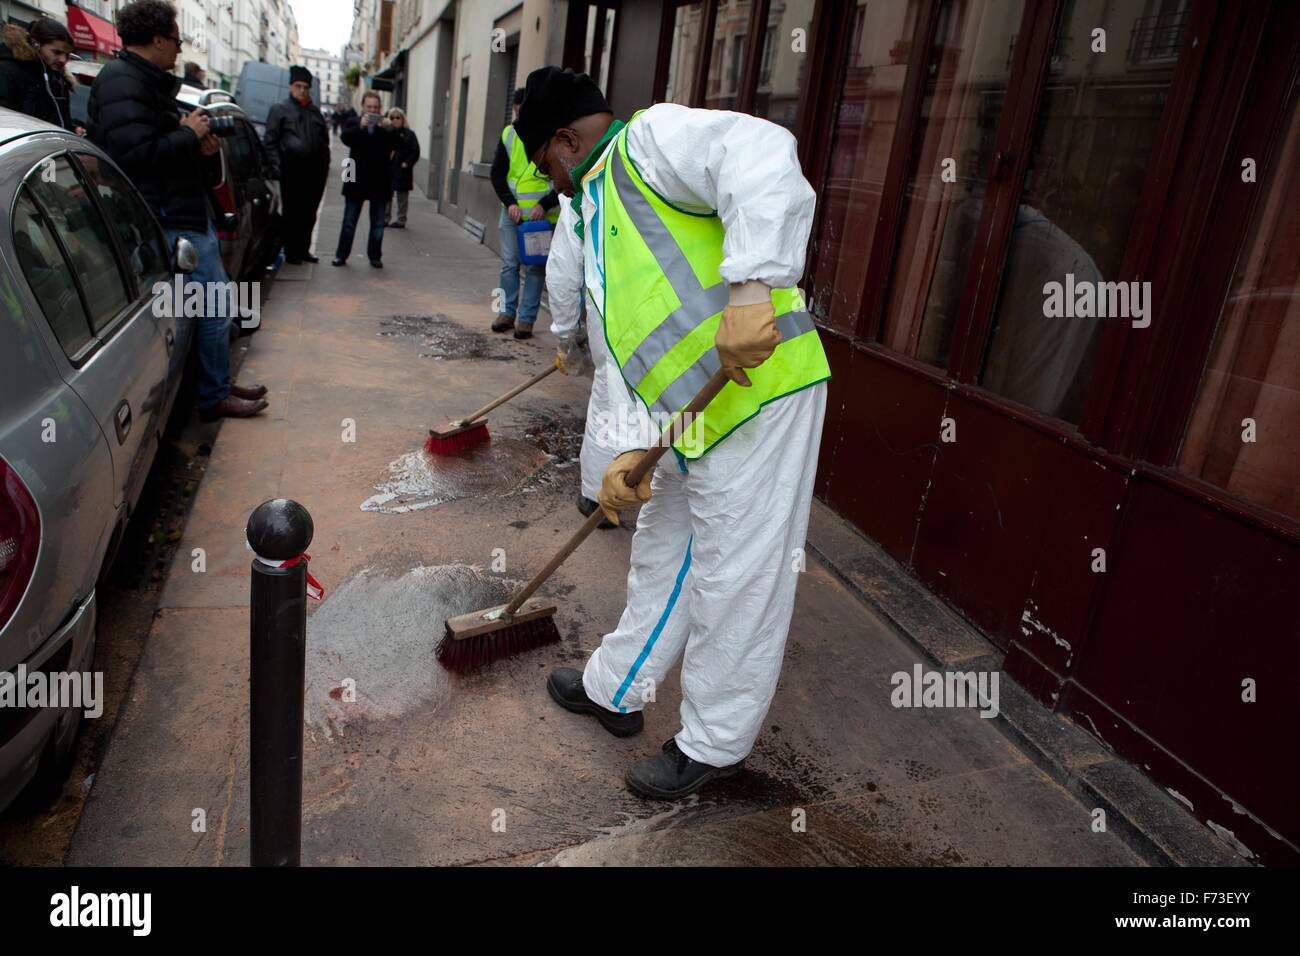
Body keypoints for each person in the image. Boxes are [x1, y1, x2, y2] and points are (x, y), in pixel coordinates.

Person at [519, 67, 830, 799]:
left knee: (738, 574)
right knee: (664, 553)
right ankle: (616, 687)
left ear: (565, 140)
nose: (546, 180)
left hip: (761, 395)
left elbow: (759, 152)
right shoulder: (593, 211)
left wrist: (754, 285)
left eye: (542, 163)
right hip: (688, 416)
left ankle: (714, 745)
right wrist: (629, 452)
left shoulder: (650, 143)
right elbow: (633, 342)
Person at [90, 0, 267, 421]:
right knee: (212, 307)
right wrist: (188, 136)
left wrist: (199, 147)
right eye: (176, 39)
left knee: (218, 304)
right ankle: (212, 395)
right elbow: (134, 157)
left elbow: (159, 149)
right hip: (168, 217)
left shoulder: (143, 81)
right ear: (155, 39)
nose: (180, 48)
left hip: (183, 211)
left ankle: (216, 384)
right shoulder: (122, 82)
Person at [548, 200, 617, 529]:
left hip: (614, 318)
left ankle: (597, 497)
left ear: (568, 144)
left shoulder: (584, 190)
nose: (554, 182)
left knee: (609, 397)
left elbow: (563, 274)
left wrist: (565, 339)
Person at [490, 87, 560, 340]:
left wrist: (546, 203)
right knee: (509, 265)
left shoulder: (552, 135)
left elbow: (561, 176)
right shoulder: (509, 134)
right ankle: (506, 314)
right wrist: (509, 203)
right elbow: (497, 173)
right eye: (520, 108)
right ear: (516, 108)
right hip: (512, 215)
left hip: (542, 218)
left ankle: (526, 320)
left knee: (534, 269)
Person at [265, 65, 330, 264]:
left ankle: (303, 249)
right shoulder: (280, 110)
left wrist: (324, 164)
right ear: (291, 86)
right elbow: (270, 142)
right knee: (292, 213)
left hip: (314, 173)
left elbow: (324, 140)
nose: (302, 90)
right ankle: (291, 250)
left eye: (305, 87)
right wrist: (278, 166)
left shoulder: (315, 112)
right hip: (291, 170)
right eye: (298, 86)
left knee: (309, 213)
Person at [332, 90, 399, 268]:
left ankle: (375, 256)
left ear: (380, 108)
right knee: (349, 221)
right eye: (369, 107)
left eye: (376, 107)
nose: (373, 110)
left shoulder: (386, 126)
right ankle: (341, 255)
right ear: (362, 107)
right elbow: (346, 138)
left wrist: (391, 128)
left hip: (379, 180)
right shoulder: (353, 122)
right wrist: (360, 126)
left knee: (377, 224)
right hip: (355, 178)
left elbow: (399, 145)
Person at [0, 18, 79, 132]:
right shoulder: (8, 72)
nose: (63, 60)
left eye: (67, 55)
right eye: (56, 52)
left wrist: (71, 128)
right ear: (35, 44)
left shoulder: (59, 79)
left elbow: (57, 118)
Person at [385, 107, 419, 228]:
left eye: (397, 117)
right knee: (386, 195)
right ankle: (385, 218)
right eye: (392, 117)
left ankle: (401, 219)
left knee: (402, 197)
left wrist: (407, 163)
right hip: (389, 169)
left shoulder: (409, 134)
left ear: (403, 119)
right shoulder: (386, 132)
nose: (395, 120)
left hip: (402, 169)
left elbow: (415, 151)